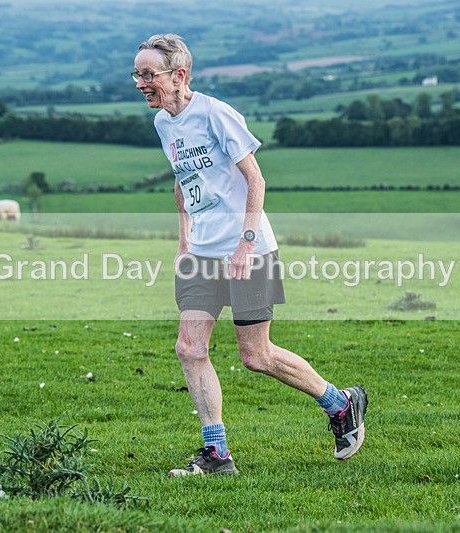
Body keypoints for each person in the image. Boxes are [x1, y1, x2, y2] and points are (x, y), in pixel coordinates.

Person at [133, 34, 367, 476]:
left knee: (255, 356)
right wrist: (184, 241)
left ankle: (341, 404)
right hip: (202, 253)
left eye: (149, 75)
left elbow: (256, 181)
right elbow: (184, 181)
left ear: (178, 75)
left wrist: (245, 243)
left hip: (249, 250)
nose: (141, 83)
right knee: (189, 347)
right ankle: (217, 454)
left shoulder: (216, 114)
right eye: (137, 75)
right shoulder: (165, 123)